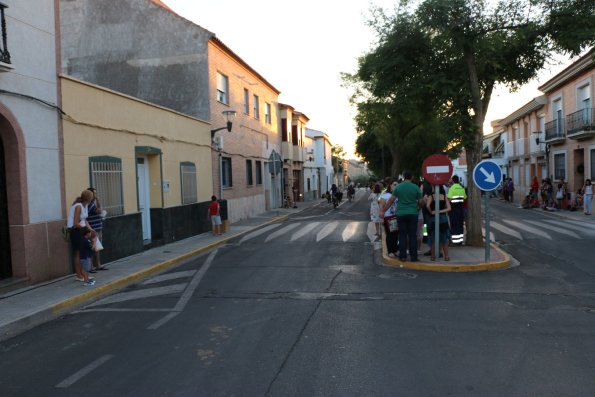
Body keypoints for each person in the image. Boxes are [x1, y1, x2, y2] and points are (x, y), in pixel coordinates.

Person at [381, 170, 422, 262]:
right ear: (411, 177)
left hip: (401, 214)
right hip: (413, 214)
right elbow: (420, 201)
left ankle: (402, 256)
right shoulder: (416, 187)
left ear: (403, 177)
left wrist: (383, 211)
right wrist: (418, 208)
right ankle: (414, 257)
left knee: (402, 235)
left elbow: (391, 201)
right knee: (412, 236)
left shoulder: (398, 187)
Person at [67, 189, 95, 282]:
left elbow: (84, 220)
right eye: (92, 196)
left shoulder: (85, 205)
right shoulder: (78, 206)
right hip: (75, 231)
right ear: (88, 197)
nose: (93, 198)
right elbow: (75, 223)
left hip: (81, 230)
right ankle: (79, 275)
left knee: (83, 253)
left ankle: (83, 274)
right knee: (78, 254)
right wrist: (86, 230)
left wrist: (90, 229)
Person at [426, 185, 451, 261]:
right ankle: (446, 256)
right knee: (444, 238)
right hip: (443, 218)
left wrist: (432, 212)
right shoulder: (444, 196)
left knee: (433, 237)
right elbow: (449, 208)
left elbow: (427, 205)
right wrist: (440, 211)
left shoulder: (431, 196)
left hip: (433, 219)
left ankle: (432, 256)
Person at [87, 187, 107, 272]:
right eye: (94, 194)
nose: (96, 195)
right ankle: (92, 266)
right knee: (93, 247)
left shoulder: (92, 204)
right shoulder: (90, 205)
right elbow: (99, 211)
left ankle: (97, 265)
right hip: (93, 229)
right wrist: (98, 201)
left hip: (97, 228)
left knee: (97, 247)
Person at [379, 179, 398, 257]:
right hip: (388, 217)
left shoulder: (398, 195)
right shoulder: (384, 195)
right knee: (390, 235)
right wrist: (382, 218)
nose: (396, 186)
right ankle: (390, 251)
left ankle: (395, 250)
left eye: (397, 185)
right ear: (390, 185)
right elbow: (381, 208)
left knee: (396, 235)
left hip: (397, 217)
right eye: (394, 184)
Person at [447, 175, 467, 245]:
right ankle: (460, 241)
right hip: (460, 209)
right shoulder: (461, 188)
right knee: (460, 225)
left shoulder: (452, 188)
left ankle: (455, 242)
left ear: (452, 180)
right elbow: (464, 198)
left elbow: (449, 199)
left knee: (454, 225)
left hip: (453, 209)